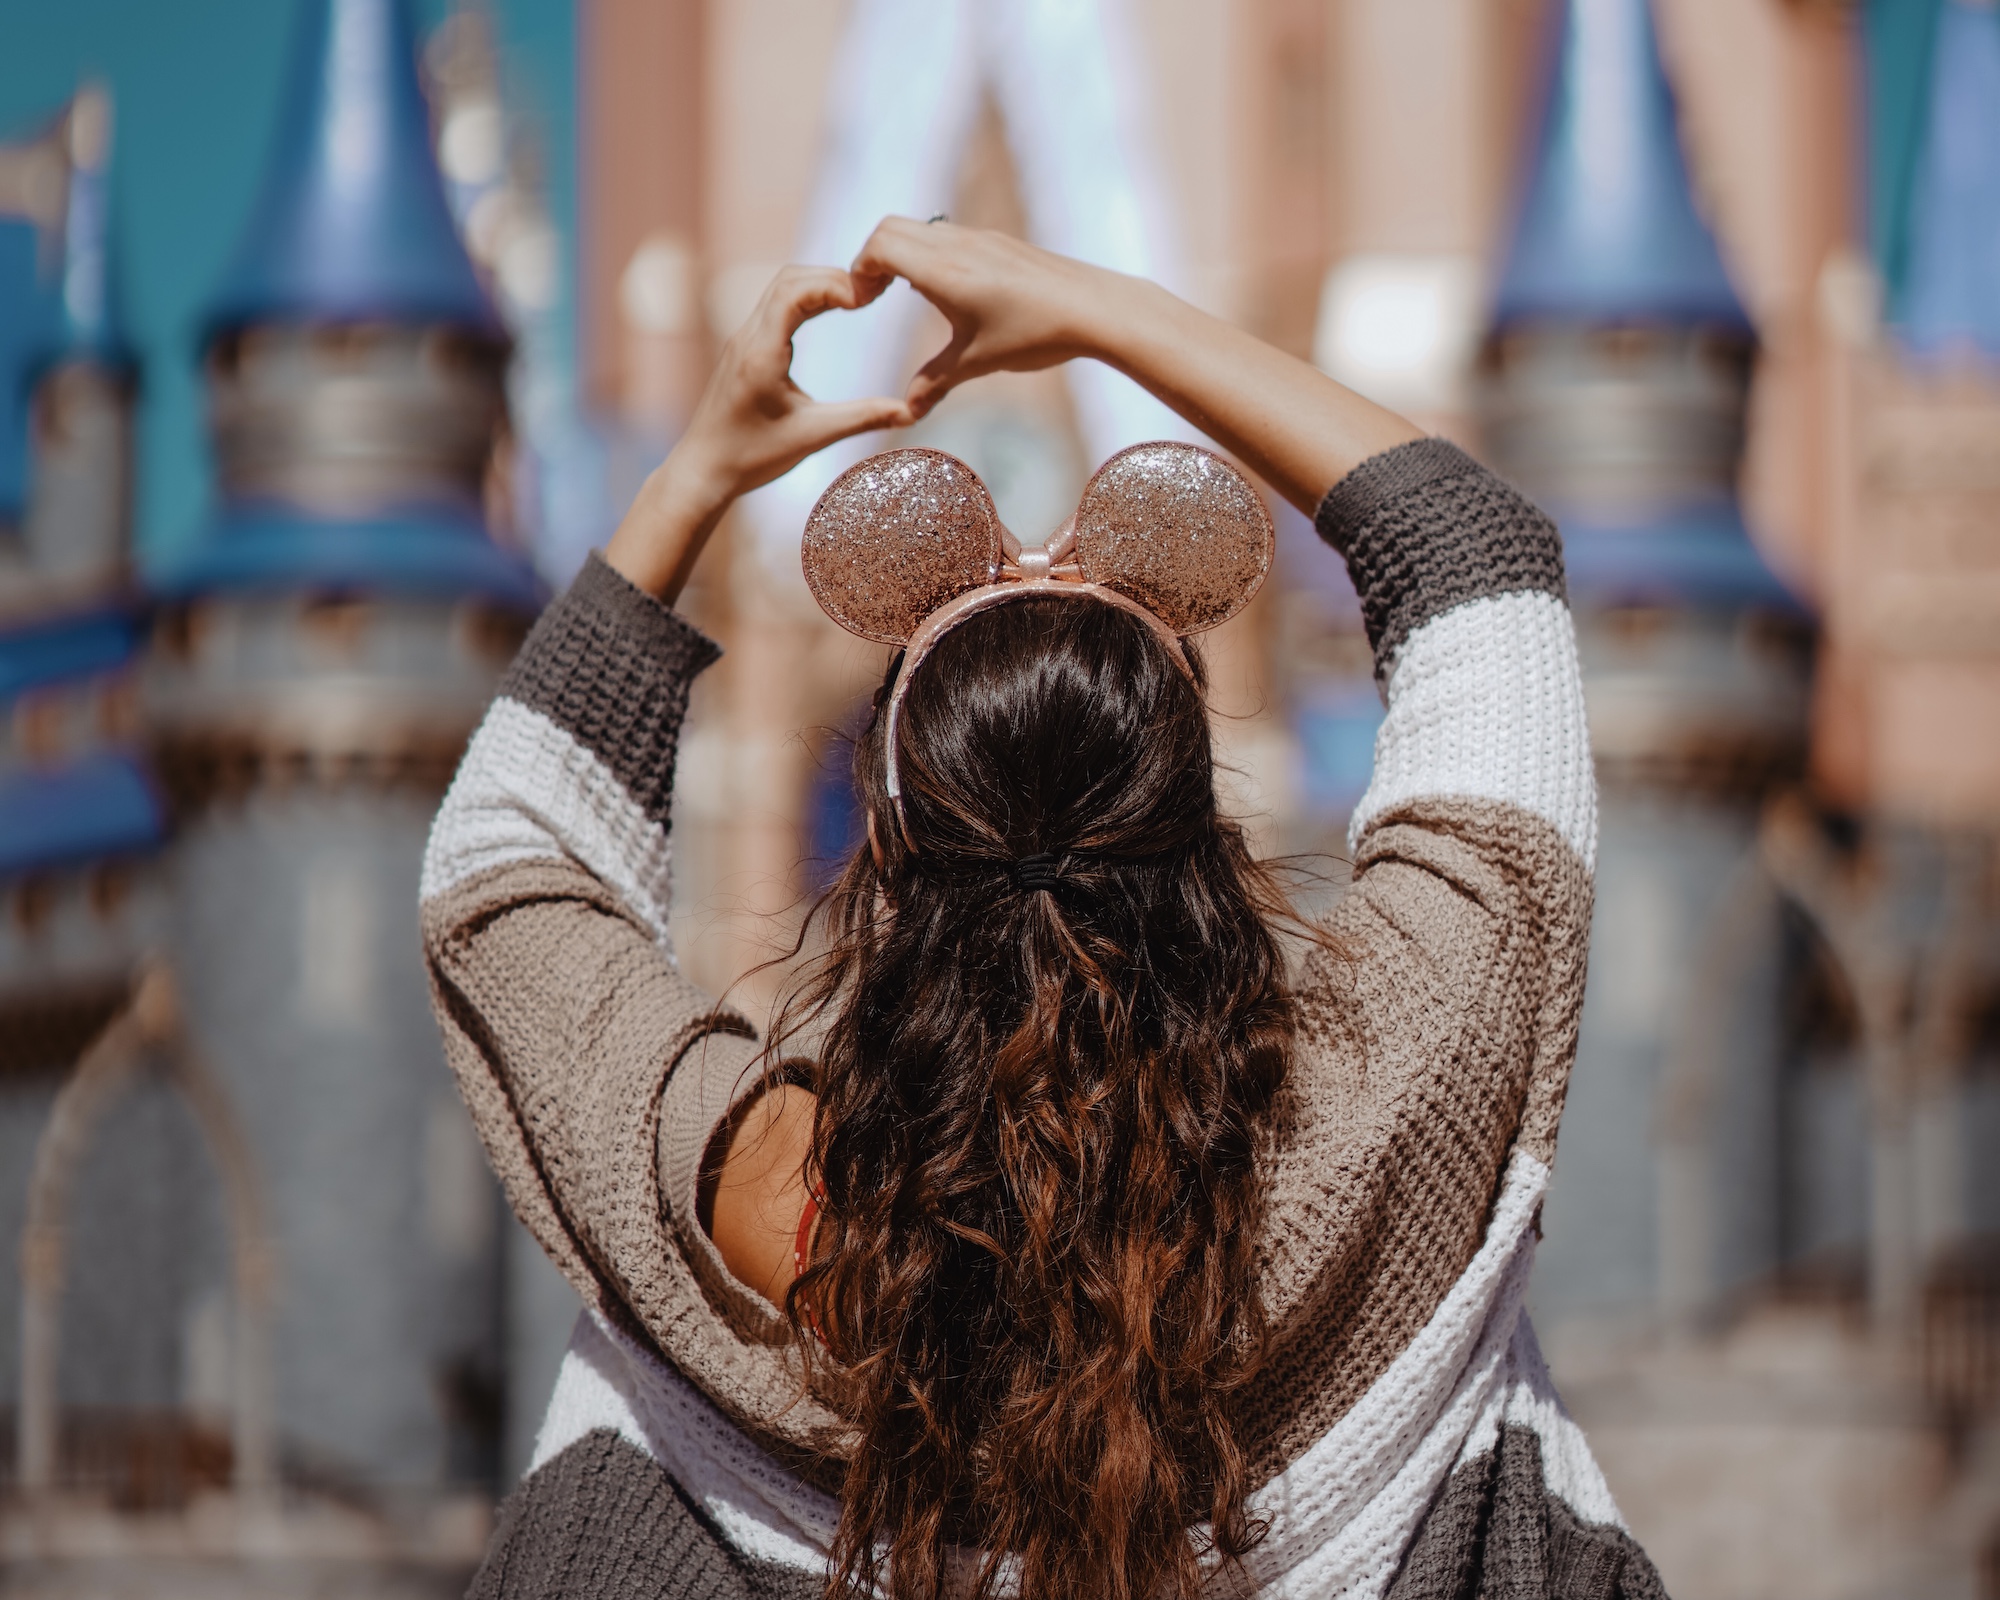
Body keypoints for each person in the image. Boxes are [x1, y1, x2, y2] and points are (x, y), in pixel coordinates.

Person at [422, 219, 1663, 1600]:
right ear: (1201, 836)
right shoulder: (1388, 1125)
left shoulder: (743, 1188)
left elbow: (507, 859)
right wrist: (1096, 310)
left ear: (885, 853)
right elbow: (1479, 563)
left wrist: (706, 463)